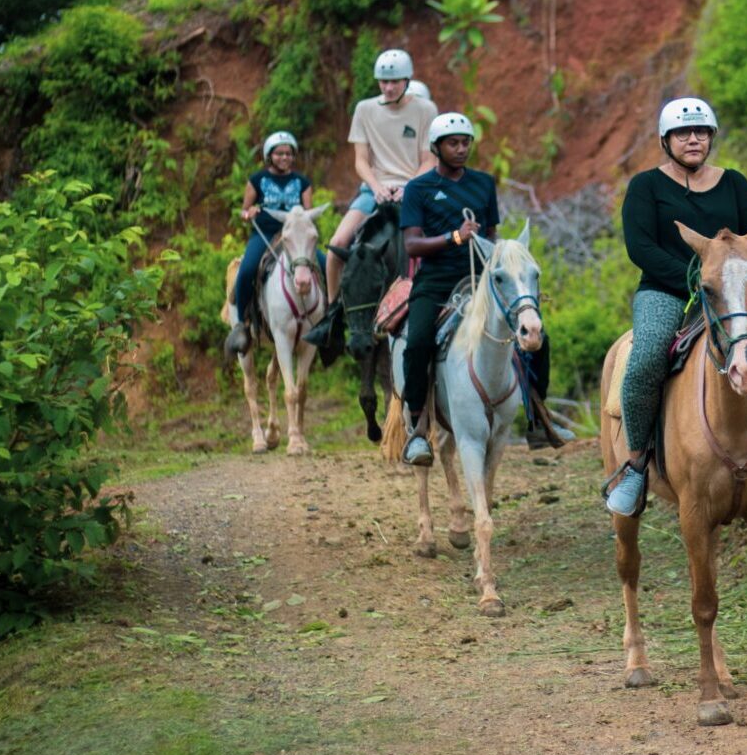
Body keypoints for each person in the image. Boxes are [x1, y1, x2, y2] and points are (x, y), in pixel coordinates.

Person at [603, 97, 747, 517]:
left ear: (711, 137)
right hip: (668, 291)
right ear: (666, 140)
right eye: (682, 133)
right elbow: (641, 248)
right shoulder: (646, 187)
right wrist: (695, 282)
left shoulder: (735, 183)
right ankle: (637, 463)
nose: (693, 139)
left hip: (735, 298)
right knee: (645, 360)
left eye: (701, 132)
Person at [398, 113, 570, 465]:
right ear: (436, 148)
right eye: (453, 143)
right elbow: (412, 245)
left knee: (537, 336)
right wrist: (455, 237)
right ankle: (416, 429)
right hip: (436, 282)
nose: (461, 149)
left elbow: (490, 236)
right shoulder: (419, 189)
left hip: (483, 281)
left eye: (466, 143)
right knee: (416, 343)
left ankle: (538, 420)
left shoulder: (483, 184)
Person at [324, 48, 437, 302]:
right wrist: (376, 187)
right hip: (373, 191)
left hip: (414, 190)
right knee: (337, 244)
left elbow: (429, 160)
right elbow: (361, 161)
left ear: (407, 81)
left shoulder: (426, 110)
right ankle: (332, 313)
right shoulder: (364, 110)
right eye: (384, 82)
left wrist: (409, 187)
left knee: (443, 245)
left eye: (394, 82)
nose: (388, 88)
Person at [224, 131, 323, 358]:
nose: (284, 157)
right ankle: (241, 324)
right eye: (279, 153)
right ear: (270, 156)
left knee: (326, 264)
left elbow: (307, 214)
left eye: (288, 153)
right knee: (247, 269)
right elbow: (243, 209)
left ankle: (328, 322)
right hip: (265, 234)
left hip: (294, 238)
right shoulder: (257, 180)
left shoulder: (302, 182)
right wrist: (249, 213)